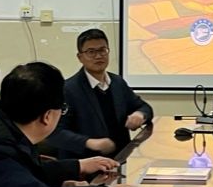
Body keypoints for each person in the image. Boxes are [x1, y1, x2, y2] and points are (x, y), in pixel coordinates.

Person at [49, 28, 152, 158]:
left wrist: (140, 114)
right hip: (86, 162)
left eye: (102, 50)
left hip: (121, 158)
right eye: (91, 52)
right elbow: (55, 133)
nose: (98, 56)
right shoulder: (68, 89)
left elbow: (145, 107)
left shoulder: (117, 82)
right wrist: (89, 142)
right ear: (80, 57)